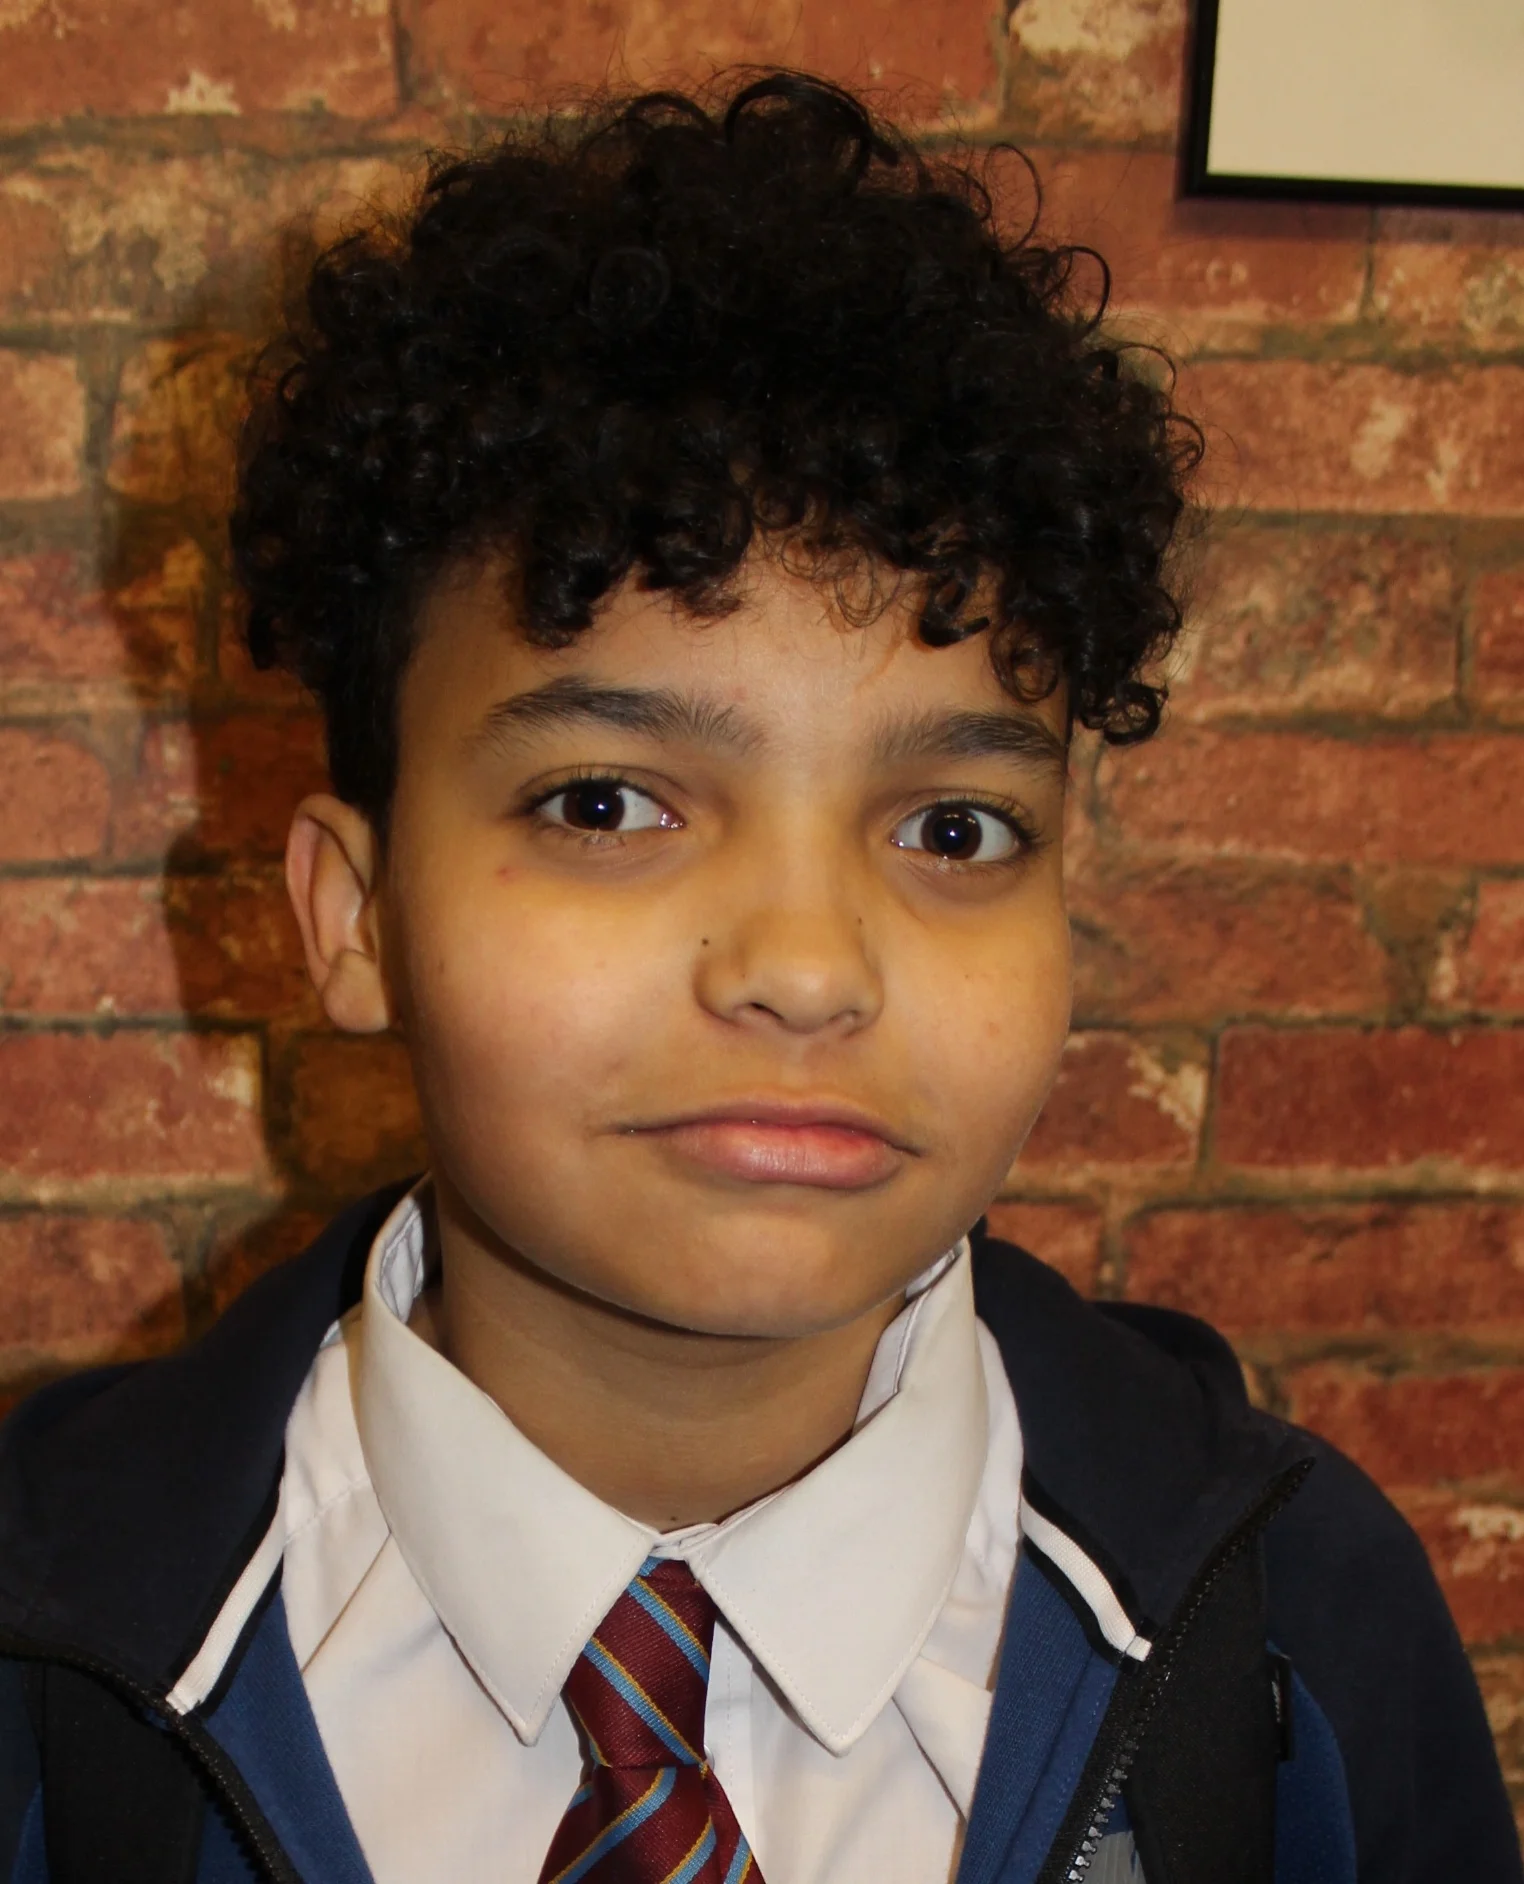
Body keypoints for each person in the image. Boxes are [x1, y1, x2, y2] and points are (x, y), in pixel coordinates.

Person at [0, 69, 1516, 1884]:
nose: (806, 970)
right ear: (355, 917)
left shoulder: (1303, 1646)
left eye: (952, 828)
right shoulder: (48, 1665)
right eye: (607, 804)